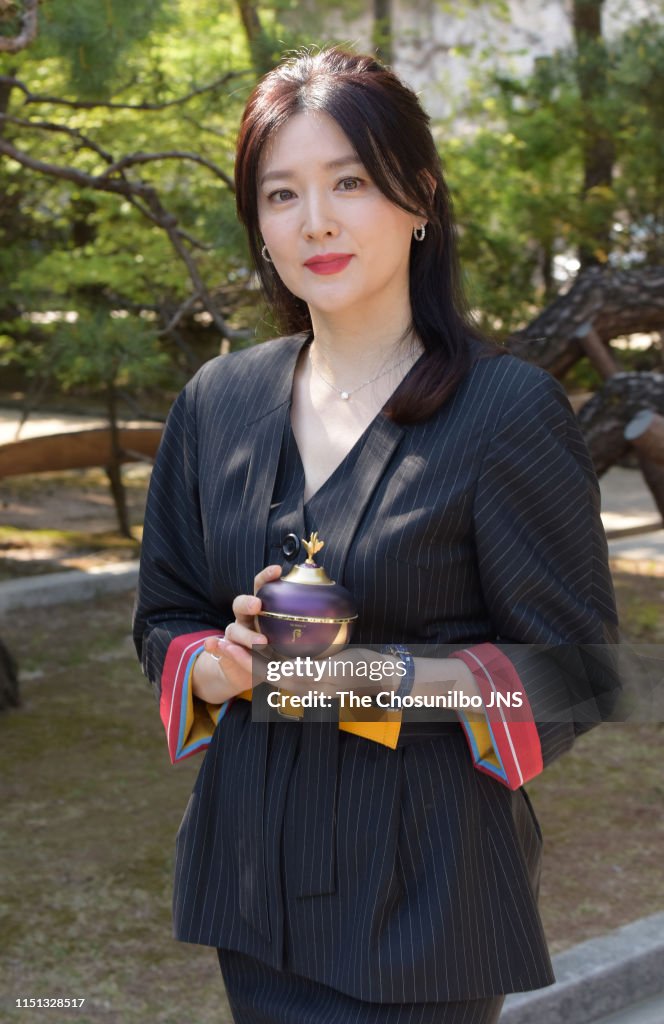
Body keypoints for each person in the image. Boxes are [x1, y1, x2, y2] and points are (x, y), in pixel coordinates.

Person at [133, 46, 620, 1024]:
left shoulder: (506, 409)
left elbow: (576, 673)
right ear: (258, 225)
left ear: (418, 197)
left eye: (348, 180)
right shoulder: (216, 403)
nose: (314, 219)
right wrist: (217, 668)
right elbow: (166, 612)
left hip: (423, 890)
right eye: (281, 193)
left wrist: (345, 680)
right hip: (251, 873)